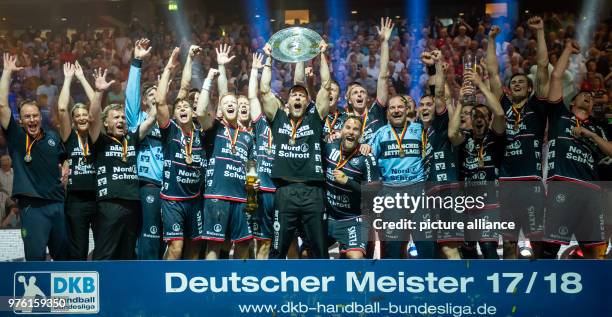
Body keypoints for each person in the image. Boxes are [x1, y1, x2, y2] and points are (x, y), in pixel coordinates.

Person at [486, 18, 552, 259]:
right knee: (510, 243)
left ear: (530, 88)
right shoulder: (503, 105)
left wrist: (540, 32)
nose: (515, 84)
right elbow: (493, 73)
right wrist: (491, 40)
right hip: (506, 184)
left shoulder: (537, 106)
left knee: (537, 242)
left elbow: (543, 67)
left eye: (521, 82)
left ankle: (538, 288)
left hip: (531, 183)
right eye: (513, 82)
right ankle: (511, 291)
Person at [260, 37, 331, 259]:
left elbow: (326, 87)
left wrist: (321, 56)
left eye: (302, 95)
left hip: (313, 192)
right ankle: (275, 290)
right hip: (286, 192)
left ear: (307, 101)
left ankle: (325, 291)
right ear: (287, 102)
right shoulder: (278, 118)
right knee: (279, 248)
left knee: (319, 249)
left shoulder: (315, 119)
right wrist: (269, 58)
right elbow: (264, 91)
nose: (298, 97)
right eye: (294, 95)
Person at [544, 40, 612, 259]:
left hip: (592, 191)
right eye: (584, 95)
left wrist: (590, 135)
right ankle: (545, 291)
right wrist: (568, 51)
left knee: (596, 253)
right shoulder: (560, 116)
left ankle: (595, 293)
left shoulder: (597, 129)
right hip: (563, 186)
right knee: (548, 248)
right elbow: (556, 77)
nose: (589, 98)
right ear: (572, 102)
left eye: (591, 98)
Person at [0, 53, 68, 261]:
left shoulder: (53, 138)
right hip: (32, 207)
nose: (32, 120)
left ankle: (62, 296)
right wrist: (8, 72)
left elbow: (65, 157)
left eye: (35, 115)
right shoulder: (17, 136)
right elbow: (2, 106)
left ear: (41, 116)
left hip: (57, 204)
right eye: (27, 116)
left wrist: (66, 165)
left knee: (63, 259)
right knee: (35, 259)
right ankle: (35, 295)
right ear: (20, 120)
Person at [89, 67, 157, 260]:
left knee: (127, 254)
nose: (121, 121)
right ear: (107, 124)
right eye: (116, 118)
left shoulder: (132, 138)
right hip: (109, 203)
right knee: (106, 253)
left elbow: (152, 117)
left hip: (133, 203)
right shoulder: (100, 141)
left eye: (122, 118)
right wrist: (98, 92)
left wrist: (157, 96)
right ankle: (102, 289)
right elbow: (93, 118)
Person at [196, 50, 257, 260]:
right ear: (220, 110)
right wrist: (209, 81)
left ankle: (239, 283)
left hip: (241, 199)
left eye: (234, 103)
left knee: (244, 244)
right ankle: (210, 291)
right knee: (214, 246)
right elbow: (201, 112)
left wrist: (253, 194)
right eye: (226, 103)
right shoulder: (214, 128)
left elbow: (251, 168)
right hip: (216, 197)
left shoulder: (247, 136)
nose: (231, 104)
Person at [156, 47, 208, 260]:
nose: (183, 109)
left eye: (187, 107)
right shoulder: (170, 131)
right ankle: (167, 289)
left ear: (193, 111)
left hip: (195, 198)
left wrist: (191, 59)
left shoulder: (202, 132)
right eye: (179, 108)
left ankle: (187, 289)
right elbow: (162, 100)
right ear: (174, 114)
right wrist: (170, 67)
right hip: (172, 200)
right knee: (176, 248)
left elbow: (187, 89)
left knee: (195, 248)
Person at [449, 69, 506, 259]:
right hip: (467, 204)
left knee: (489, 248)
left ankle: (496, 285)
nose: (478, 117)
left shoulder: (495, 138)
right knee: (467, 250)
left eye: (482, 115)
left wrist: (480, 84)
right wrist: (461, 103)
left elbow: (499, 112)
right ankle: (472, 285)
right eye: (475, 116)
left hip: (490, 204)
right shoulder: (465, 139)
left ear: (488, 120)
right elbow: (451, 134)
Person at [125, 38, 165, 260]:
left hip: (168, 190)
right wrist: (137, 62)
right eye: (151, 95)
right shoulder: (136, 118)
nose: (155, 97)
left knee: (162, 241)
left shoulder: (170, 124)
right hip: (145, 185)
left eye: (158, 94)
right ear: (145, 101)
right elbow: (131, 96)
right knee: (147, 239)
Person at [325, 116, 381, 259]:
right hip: (328, 217)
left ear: (360, 135)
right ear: (341, 131)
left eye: (355, 129)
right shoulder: (329, 147)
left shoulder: (367, 158)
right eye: (348, 128)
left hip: (353, 218)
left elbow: (374, 193)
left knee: (355, 258)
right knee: (307, 253)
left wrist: (348, 182)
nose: (351, 132)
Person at [57, 61, 97, 260]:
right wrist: (68, 79)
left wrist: (82, 78)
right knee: (78, 249)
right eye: (78, 115)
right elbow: (63, 108)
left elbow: (97, 105)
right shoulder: (69, 137)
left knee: (103, 247)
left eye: (85, 114)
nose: (82, 118)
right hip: (75, 201)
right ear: (73, 121)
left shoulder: (97, 137)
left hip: (98, 198)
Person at [339, 17, 393, 146]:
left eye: (362, 92)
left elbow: (383, 77)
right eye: (355, 93)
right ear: (349, 99)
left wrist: (384, 43)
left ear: (368, 98)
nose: (359, 94)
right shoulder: (342, 119)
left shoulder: (376, 112)